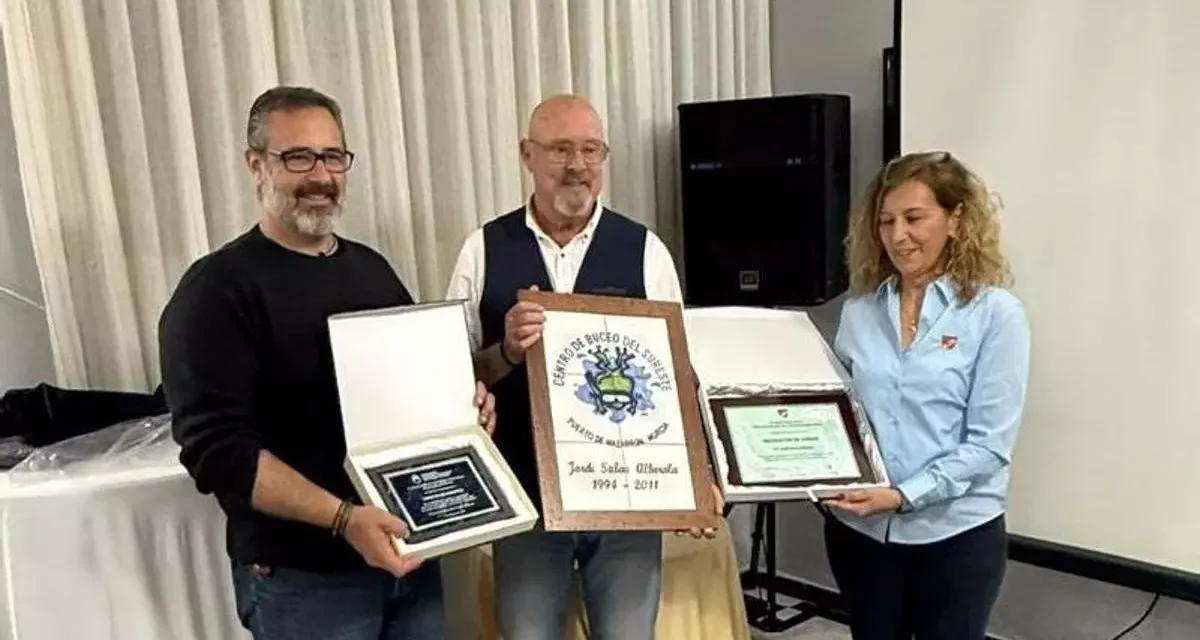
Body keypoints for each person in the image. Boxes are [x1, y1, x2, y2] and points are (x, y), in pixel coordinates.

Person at [158, 86, 496, 640]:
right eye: (298, 157)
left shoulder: (373, 271)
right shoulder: (216, 291)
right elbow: (219, 455)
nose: (320, 175)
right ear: (256, 166)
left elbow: (419, 389)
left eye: (332, 157)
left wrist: (467, 407)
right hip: (305, 583)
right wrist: (344, 520)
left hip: (410, 557)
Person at [445, 94, 721, 640]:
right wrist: (505, 352)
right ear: (527, 154)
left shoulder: (646, 250)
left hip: (631, 499)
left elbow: (680, 374)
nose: (577, 165)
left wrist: (702, 472)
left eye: (591, 149)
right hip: (527, 500)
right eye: (560, 149)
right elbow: (455, 378)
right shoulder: (482, 250)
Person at [823, 151, 1030, 639]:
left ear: (956, 219)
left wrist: (902, 496)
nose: (899, 236)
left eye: (915, 218)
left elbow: (989, 446)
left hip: (956, 537)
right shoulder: (859, 312)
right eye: (886, 221)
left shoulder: (996, 315)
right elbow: (839, 417)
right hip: (862, 535)